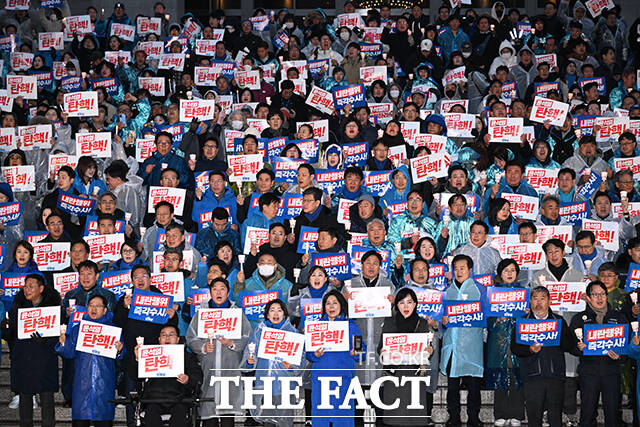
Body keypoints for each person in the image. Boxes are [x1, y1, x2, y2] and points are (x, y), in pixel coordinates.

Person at [186, 278, 251, 427]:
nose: (218, 292)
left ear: (228, 293)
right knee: (208, 413)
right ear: (210, 292)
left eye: (222, 288)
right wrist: (202, 347)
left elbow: (247, 336)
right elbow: (191, 337)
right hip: (208, 367)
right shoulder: (201, 313)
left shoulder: (237, 313)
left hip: (230, 367)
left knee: (228, 412)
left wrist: (232, 344)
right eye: (215, 289)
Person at [510, 286, 578, 427]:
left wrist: (557, 335)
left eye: (542, 298)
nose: (539, 303)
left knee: (555, 418)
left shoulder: (558, 321)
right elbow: (515, 348)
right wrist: (529, 349)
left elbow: (569, 345)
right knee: (534, 418)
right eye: (535, 298)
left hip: (555, 376)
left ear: (549, 301)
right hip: (532, 376)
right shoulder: (522, 322)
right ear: (530, 301)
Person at [1, 273, 60, 427]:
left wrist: (45, 341)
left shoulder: (52, 309)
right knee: (25, 407)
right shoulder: (17, 308)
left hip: (45, 362)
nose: (27, 289)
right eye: (25, 286)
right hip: (24, 362)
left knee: (47, 405)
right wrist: (5, 329)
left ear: (41, 288)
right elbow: (11, 336)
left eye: (31, 286)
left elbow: (58, 337)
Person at [56, 294, 124, 427]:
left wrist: (120, 349)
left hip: (104, 382)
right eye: (91, 305)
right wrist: (63, 343)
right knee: (80, 420)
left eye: (98, 306)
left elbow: (120, 355)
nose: (94, 309)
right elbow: (69, 353)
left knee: (103, 420)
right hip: (82, 383)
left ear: (105, 310)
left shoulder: (113, 330)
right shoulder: (78, 329)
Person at [569, 280, 629, 427]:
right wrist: (579, 348)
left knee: (613, 414)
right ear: (588, 298)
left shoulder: (619, 318)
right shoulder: (579, 319)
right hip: (589, 372)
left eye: (602, 294)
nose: (600, 298)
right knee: (587, 414)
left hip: (611, 372)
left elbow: (627, 345)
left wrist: (620, 356)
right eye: (595, 294)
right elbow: (570, 346)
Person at [377, 287, 439, 426]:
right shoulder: (389, 322)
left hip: (414, 373)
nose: (406, 306)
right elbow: (380, 347)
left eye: (409, 302)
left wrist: (430, 351)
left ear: (415, 304)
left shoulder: (422, 323)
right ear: (396, 305)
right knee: (394, 417)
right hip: (394, 373)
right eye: (401, 302)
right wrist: (382, 351)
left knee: (414, 416)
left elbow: (427, 348)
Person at [306, 290, 364, 427]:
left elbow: (362, 352)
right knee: (320, 418)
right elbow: (308, 353)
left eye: (335, 303)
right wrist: (314, 354)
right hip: (321, 381)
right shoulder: (316, 328)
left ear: (341, 305)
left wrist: (357, 353)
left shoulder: (352, 327)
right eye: (328, 303)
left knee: (344, 418)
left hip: (343, 380)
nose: (331, 307)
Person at [440, 254, 485, 427]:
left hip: (472, 345)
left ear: (470, 270)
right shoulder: (447, 291)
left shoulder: (480, 290)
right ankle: (454, 417)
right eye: (456, 268)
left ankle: (474, 417)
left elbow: (485, 316)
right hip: (452, 345)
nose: (459, 272)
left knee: (474, 384)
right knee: (452, 386)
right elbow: (439, 320)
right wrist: (442, 321)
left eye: (462, 268)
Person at [242, 299, 301, 427]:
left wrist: (291, 367)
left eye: (279, 310)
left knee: (284, 422)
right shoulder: (260, 332)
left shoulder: (293, 334)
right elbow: (250, 354)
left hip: (284, 387)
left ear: (285, 315)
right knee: (267, 422)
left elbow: (301, 360)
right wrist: (249, 362)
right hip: (265, 386)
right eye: (272, 311)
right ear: (267, 315)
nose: (275, 314)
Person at [136, 324, 202, 427]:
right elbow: (135, 376)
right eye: (164, 335)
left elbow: (197, 377)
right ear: (159, 339)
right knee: (151, 415)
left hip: (179, 399)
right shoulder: (149, 355)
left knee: (180, 416)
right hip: (154, 400)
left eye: (171, 335)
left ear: (177, 339)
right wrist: (138, 360)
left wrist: (188, 380)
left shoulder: (187, 358)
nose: (167, 338)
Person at [485, 259, 525, 426]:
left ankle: (516, 414)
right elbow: (488, 323)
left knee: (517, 378)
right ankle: (500, 414)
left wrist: (525, 313)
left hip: (517, 342)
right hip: (498, 342)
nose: (509, 273)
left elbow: (530, 323)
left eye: (512, 270)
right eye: (506, 270)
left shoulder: (523, 293)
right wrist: (498, 319)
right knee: (499, 378)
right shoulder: (492, 293)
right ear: (500, 274)